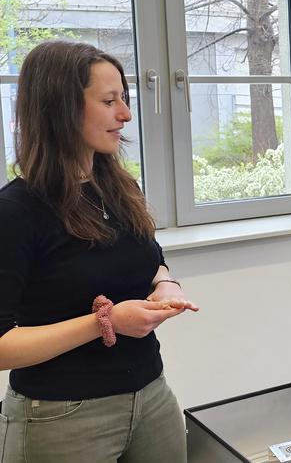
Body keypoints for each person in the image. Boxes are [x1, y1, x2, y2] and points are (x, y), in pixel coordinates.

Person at [0, 40, 199, 463]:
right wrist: (103, 322)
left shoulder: (119, 188)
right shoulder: (16, 211)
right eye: (109, 101)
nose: (125, 115)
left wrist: (165, 284)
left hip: (150, 397)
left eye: (123, 100)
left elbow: (151, 260)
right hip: (61, 417)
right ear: (61, 109)